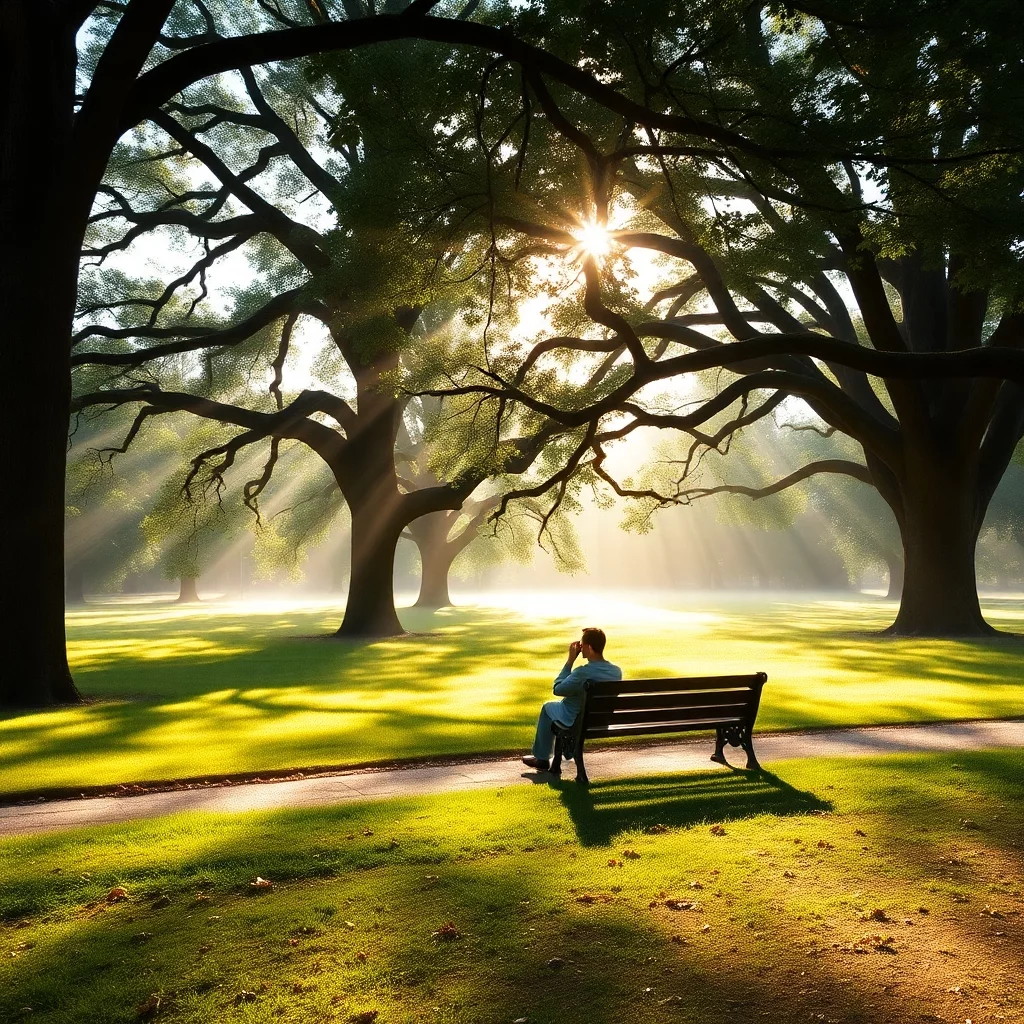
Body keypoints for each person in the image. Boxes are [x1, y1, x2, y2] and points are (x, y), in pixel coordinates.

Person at [522, 626, 622, 771]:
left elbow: (558, 689)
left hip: (576, 719)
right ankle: (567, 750)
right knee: (561, 708)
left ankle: (542, 758)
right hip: (600, 721)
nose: (580, 648)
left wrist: (570, 661)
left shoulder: (582, 672)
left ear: (588, 647)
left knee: (548, 707)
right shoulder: (616, 671)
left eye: (582, 645)